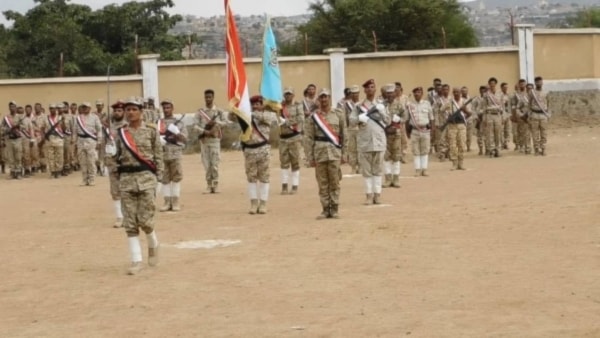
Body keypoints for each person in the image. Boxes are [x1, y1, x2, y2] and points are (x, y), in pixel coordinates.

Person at [110, 97, 163, 276]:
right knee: (130, 222)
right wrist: (109, 154)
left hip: (147, 178)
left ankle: (153, 243)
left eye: (134, 109)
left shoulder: (151, 131)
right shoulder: (120, 133)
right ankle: (136, 259)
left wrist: (160, 180)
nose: (130, 112)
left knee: (146, 220)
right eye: (128, 110)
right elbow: (112, 158)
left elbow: (158, 157)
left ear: (141, 111)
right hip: (126, 179)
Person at [229, 95, 276, 214]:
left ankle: (263, 203)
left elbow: (269, 118)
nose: (255, 106)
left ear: (262, 105)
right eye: (253, 105)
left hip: (263, 150)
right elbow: (231, 118)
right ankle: (254, 203)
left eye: (257, 104)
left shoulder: (267, 114)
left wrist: (250, 113)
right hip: (249, 151)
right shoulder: (246, 116)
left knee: (264, 177)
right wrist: (235, 108)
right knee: (251, 178)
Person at [305, 88, 347, 219]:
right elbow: (309, 138)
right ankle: (325, 209)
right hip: (320, 153)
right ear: (319, 99)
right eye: (321, 97)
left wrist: (344, 153)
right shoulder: (314, 117)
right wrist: (310, 157)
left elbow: (344, 135)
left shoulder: (339, 114)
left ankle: (334, 209)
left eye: (326, 97)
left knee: (334, 182)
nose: (324, 100)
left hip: (334, 153)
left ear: (330, 98)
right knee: (322, 183)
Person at [350, 79, 390, 205]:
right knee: (366, 171)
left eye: (372, 87)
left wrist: (383, 112)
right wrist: (359, 118)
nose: (370, 89)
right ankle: (368, 195)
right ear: (365, 90)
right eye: (368, 88)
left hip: (379, 141)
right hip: (365, 141)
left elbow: (388, 122)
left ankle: (377, 195)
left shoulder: (381, 105)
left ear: (375, 89)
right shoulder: (359, 106)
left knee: (377, 169)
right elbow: (351, 121)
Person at [194, 89, 227, 193]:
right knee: (206, 164)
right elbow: (195, 126)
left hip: (215, 140)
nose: (208, 99)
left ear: (213, 97)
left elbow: (226, 123)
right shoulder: (200, 112)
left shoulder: (219, 111)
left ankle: (215, 184)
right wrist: (204, 131)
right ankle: (209, 184)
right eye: (206, 97)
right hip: (204, 140)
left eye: (210, 97)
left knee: (215, 163)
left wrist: (216, 123)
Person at [157, 99, 187, 212]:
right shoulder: (159, 122)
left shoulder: (179, 123)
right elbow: (153, 136)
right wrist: (159, 140)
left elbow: (185, 139)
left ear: (172, 108)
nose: (166, 110)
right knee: (164, 178)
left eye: (168, 107)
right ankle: (166, 201)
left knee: (176, 176)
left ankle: (175, 201)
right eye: (164, 108)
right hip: (163, 153)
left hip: (175, 152)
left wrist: (177, 133)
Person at [105, 100, 128, 228]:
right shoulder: (109, 128)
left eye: (120, 110)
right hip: (112, 162)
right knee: (115, 190)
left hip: (125, 161)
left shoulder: (128, 126)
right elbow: (106, 144)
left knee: (127, 189)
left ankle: (128, 216)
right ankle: (119, 216)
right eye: (115, 110)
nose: (117, 113)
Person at [278, 87, 304, 195]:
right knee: (284, 162)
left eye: (289, 94)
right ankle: (284, 185)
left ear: (293, 95)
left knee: (295, 162)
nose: (288, 96)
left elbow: (301, 119)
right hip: (283, 137)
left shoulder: (298, 105)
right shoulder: (279, 106)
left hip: (294, 137)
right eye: (286, 94)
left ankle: (294, 185)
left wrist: (286, 121)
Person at [72, 102, 103, 186]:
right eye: (83, 107)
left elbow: (99, 130)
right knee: (82, 161)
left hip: (91, 141)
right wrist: (74, 142)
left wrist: (99, 141)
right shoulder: (78, 118)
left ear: (90, 108)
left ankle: (92, 179)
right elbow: (74, 131)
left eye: (86, 107)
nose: (85, 108)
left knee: (91, 161)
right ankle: (84, 179)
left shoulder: (95, 117)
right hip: (80, 140)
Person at [406, 87, 434, 176]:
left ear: (422, 94)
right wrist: (407, 132)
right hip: (414, 130)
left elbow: (431, 118)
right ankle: (417, 169)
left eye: (419, 92)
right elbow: (407, 119)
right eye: (415, 92)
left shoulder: (427, 104)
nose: (417, 94)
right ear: (413, 94)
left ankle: (424, 169)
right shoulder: (410, 105)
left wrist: (432, 130)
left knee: (425, 150)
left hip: (425, 130)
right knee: (416, 150)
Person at [382, 84, 406, 188]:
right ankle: (388, 178)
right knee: (386, 156)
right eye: (388, 93)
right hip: (385, 133)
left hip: (396, 133)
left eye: (391, 93)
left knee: (396, 156)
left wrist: (399, 121)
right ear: (385, 94)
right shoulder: (382, 105)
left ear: (395, 93)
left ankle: (396, 179)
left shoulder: (399, 105)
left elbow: (405, 116)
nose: (390, 95)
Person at [446, 87, 472, 170]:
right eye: (455, 92)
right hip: (452, 126)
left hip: (461, 126)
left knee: (461, 144)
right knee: (453, 145)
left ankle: (461, 163)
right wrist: (448, 116)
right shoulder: (450, 102)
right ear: (453, 93)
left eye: (458, 92)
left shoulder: (464, 102)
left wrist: (465, 112)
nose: (456, 93)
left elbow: (470, 114)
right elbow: (441, 110)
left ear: (460, 93)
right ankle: (454, 163)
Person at [40, 103, 65, 179]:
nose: (52, 110)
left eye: (53, 108)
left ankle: (58, 171)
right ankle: (52, 171)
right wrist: (43, 137)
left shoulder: (60, 118)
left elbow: (64, 129)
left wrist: (63, 121)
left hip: (58, 138)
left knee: (59, 156)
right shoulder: (46, 118)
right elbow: (42, 128)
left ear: (56, 109)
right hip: (49, 138)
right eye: (51, 108)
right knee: (50, 156)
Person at [2, 101, 25, 179]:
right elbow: (2, 128)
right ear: (9, 108)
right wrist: (9, 129)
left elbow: (24, 127)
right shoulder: (6, 118)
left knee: (18, 156)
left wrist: (18, 127)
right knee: (10, 157)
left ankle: (18, 172)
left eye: (14, 106)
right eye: (11, 107)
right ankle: (12, 172)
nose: (12, 108)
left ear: (16, 108)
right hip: (9, 139)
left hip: (18, 139)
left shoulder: (20, 117)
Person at [481, 77, 503, 158]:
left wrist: (502, 117)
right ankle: (492, 150)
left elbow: (502, 106)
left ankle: (498, 149)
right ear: (489, 84)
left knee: (498, 133)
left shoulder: (500, 94)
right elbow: (484, 107)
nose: (492, 85)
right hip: (489, 115)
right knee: (490, 134)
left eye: (494, 83)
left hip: (497, 115)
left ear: (495, 84)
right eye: (491, 83)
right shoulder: (486, 95)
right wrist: (484, 118)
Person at [529, 76, 549, 156]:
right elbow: (529, 104)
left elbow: (548, 103)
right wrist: (529, 114)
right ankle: (536, 149)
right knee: (535, 133)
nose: (539, 83)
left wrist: (548, 114)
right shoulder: (531, 92)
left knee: (544, 132)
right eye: (537, 82)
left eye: (540, 82)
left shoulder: (546, 92)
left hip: (543, 114)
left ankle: (543, 148)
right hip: (534, 114)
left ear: (542, 83)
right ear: (535, 83)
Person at [344, 85, 361, 174]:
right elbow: (345, 117)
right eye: (353, 93)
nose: (355, 95)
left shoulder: (362, 104)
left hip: (360, 129)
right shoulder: (346, 104)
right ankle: (353, 167)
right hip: (350, 129)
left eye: (356, 93)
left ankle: (361, 166)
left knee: (360, 148)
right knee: (352, 149)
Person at [500, 82, 512, 150]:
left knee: (507, 130)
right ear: (501, 88)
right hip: (502, 114)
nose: (506, 88)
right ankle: (502, 144)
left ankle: (506, 143)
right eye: (504, 87)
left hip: (508, 114)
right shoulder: (499, 95)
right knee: (501, 130)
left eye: (506, 87)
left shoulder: (509, 95)